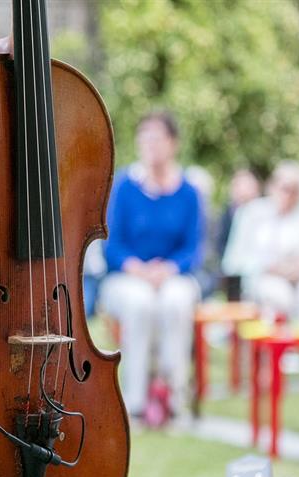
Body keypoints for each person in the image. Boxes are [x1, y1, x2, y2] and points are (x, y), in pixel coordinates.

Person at [101, 111, 204, 419]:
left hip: (173, 275)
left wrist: (168, 269)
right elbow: (111, 244)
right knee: (140, 303)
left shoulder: (189, 192)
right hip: (128, 276)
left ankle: (174, 395)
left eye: (157, 138)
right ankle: (135, 400)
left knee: (176, 301)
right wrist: (138, 269)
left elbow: (194, 248)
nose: (150, 145)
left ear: (173, 143)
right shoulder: (124, 186)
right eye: (144, 138)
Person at [222, 163, 299, 323]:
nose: (288, 195)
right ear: (272, 186)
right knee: (280, 296)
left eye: (294, 190)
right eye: (285, 188)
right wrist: (269, 267)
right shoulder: (251, 213)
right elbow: (233, 261)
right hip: (259, 285)